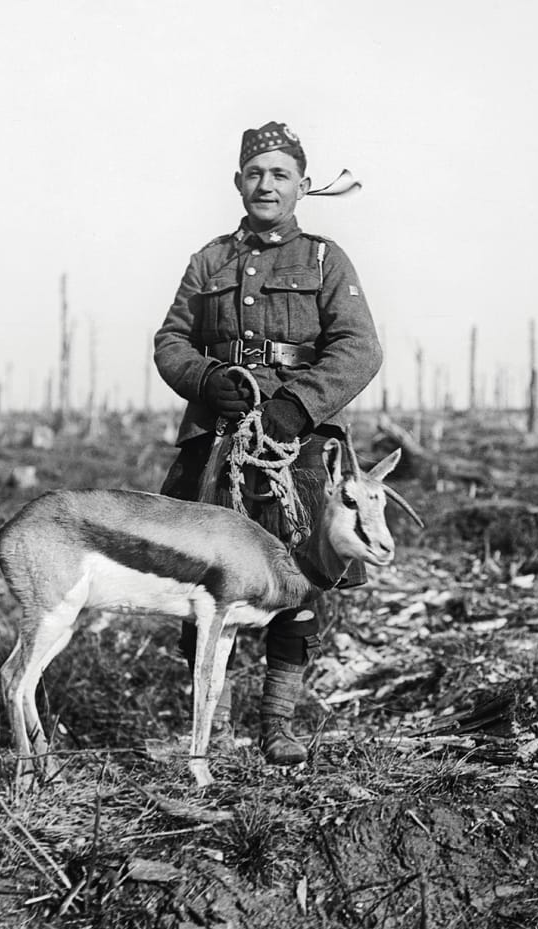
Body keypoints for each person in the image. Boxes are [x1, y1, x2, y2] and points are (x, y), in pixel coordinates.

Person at [153, 121, 381, 766]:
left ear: (303, 187)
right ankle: (209, 729)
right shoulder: (209, 260)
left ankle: (277, 728)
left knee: (297, 576)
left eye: (280, 174)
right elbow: (170, 341)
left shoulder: (322, 259)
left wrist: (298, 406)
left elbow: (360, 347)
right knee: (203, 578)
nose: (266, 185)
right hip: (216, 442)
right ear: (238, 183)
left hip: (298, 447)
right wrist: (204, 378)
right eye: (255, 173)